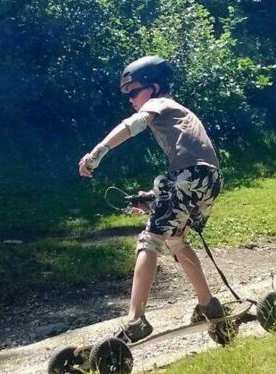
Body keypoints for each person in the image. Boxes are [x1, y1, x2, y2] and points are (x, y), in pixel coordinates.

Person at [78, 56, 225, 343]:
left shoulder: (160, 103)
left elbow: (134, 124)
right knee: (176, 239)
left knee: (149, 240)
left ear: (154, 88)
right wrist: (154, 196)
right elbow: (186, 168)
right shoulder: (178, 113)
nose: (131, 99)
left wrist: (96, 153)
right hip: (208, 179)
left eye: (134, 92)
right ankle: (209, 305)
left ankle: (136, 320)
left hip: (189, 176)